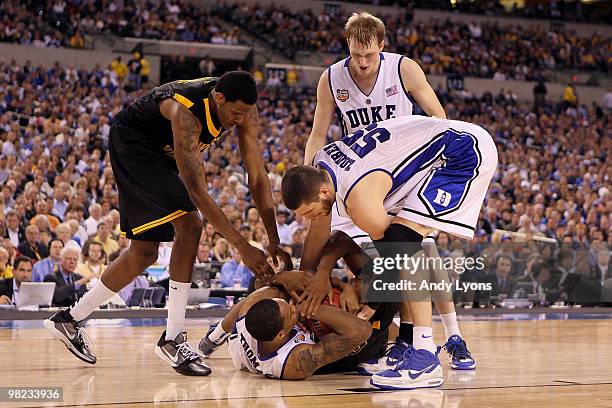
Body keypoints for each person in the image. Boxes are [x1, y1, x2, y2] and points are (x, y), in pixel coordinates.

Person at [45, 71, 291, 377]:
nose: (240, 120)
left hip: (161, 153)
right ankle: (173, 337)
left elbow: (257, 175)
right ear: (218, 98)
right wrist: (242, 247)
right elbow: (196, 192)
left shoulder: (245, 111)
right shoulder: (186, 112)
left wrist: (272, 237)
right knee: (191, 224)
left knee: (144, 253)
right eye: (235, 113)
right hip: (133, 143)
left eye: (245, 113)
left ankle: (69, 318)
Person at [301, 11, 473, 374]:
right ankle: (399, 338)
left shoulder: (403, 69)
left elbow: (436, 114)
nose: (362, 63)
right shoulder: (331, 78)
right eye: (355, 54)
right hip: (363, 178)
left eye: (369, 55)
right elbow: (318, 133)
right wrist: (309, 171)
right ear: (347, 45)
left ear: (382, 45)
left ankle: (453, 337)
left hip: (406, 169)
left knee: (422, 252)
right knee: (385, 255)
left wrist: (442, 151)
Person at [281, 114, 497, 389]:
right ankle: (408, 344)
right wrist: (307, 275)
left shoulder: (358, 200)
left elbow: (394, 261)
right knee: (399, 245)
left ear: (323, 192)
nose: (310, 218)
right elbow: (321, 227)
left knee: (403, 245)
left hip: (461, 153)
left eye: (310, 212)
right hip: (431, 151)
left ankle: (425, 355)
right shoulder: (320, 167)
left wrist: (369, 308)